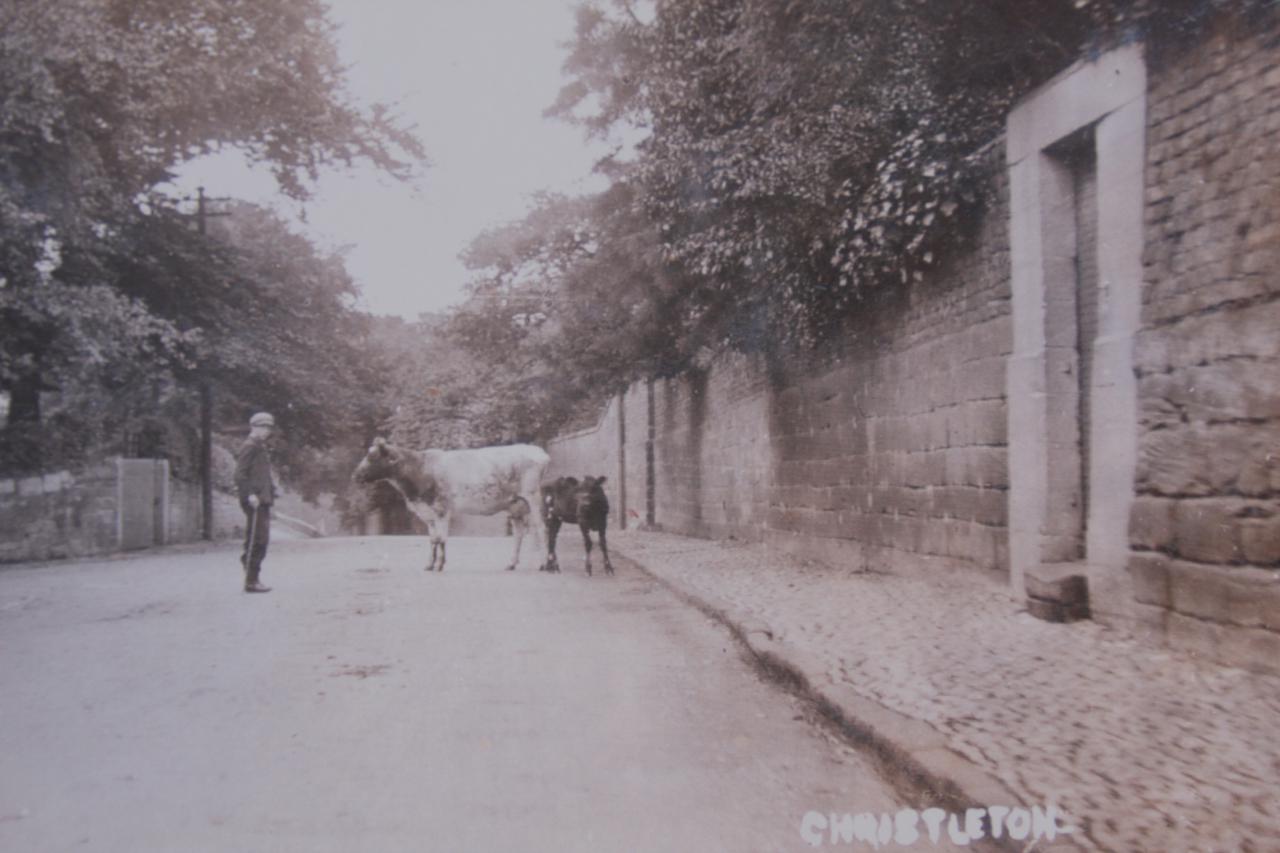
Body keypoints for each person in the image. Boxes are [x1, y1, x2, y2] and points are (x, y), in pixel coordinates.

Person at [234, 412, 277, 593]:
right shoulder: (250, 446)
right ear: (253, 427)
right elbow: (240, 474)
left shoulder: (260, 447)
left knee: (261, 539)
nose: (266, 431)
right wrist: (250, 494)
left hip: (262, 499)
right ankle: (251, 581)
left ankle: (252, 573)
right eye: (262, 427)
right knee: (257, 539)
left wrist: (272, 490)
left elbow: (261, 474)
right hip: (254, 500)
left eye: (268, 427)